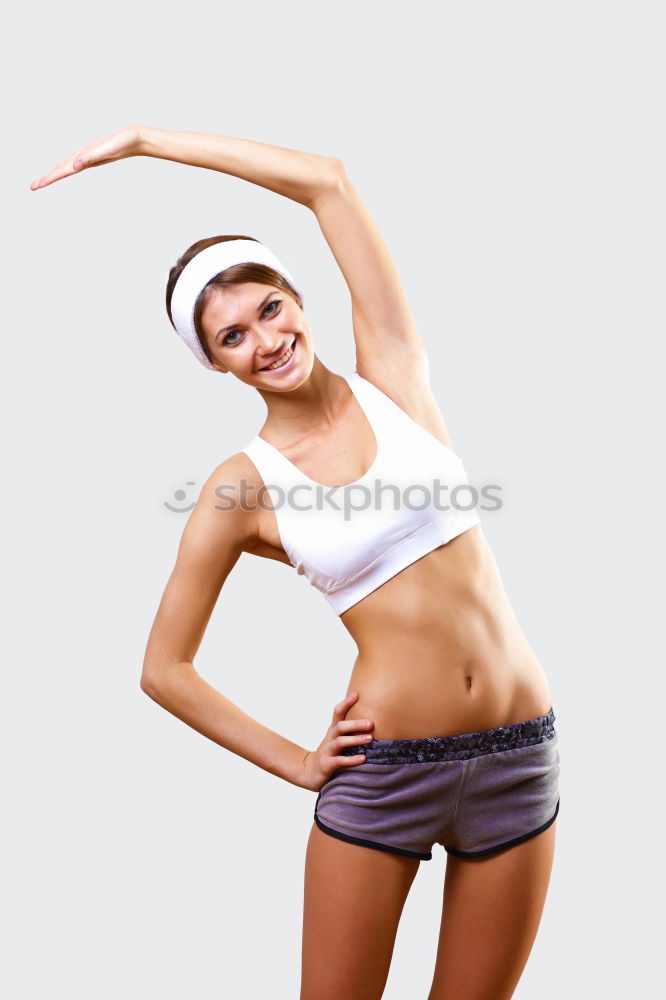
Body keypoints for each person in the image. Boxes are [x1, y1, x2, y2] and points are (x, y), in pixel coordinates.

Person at [31, 124, 560, 1000]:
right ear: (215, 364)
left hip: (520, 757)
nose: (264, 341)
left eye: (269, 309)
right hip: (387, 777)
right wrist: (296, 762)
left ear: (299, 299)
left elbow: (329, 182)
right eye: (231, 337)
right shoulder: (243, 488)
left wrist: (144, 141)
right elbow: (164, 670)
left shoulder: (393, 374)